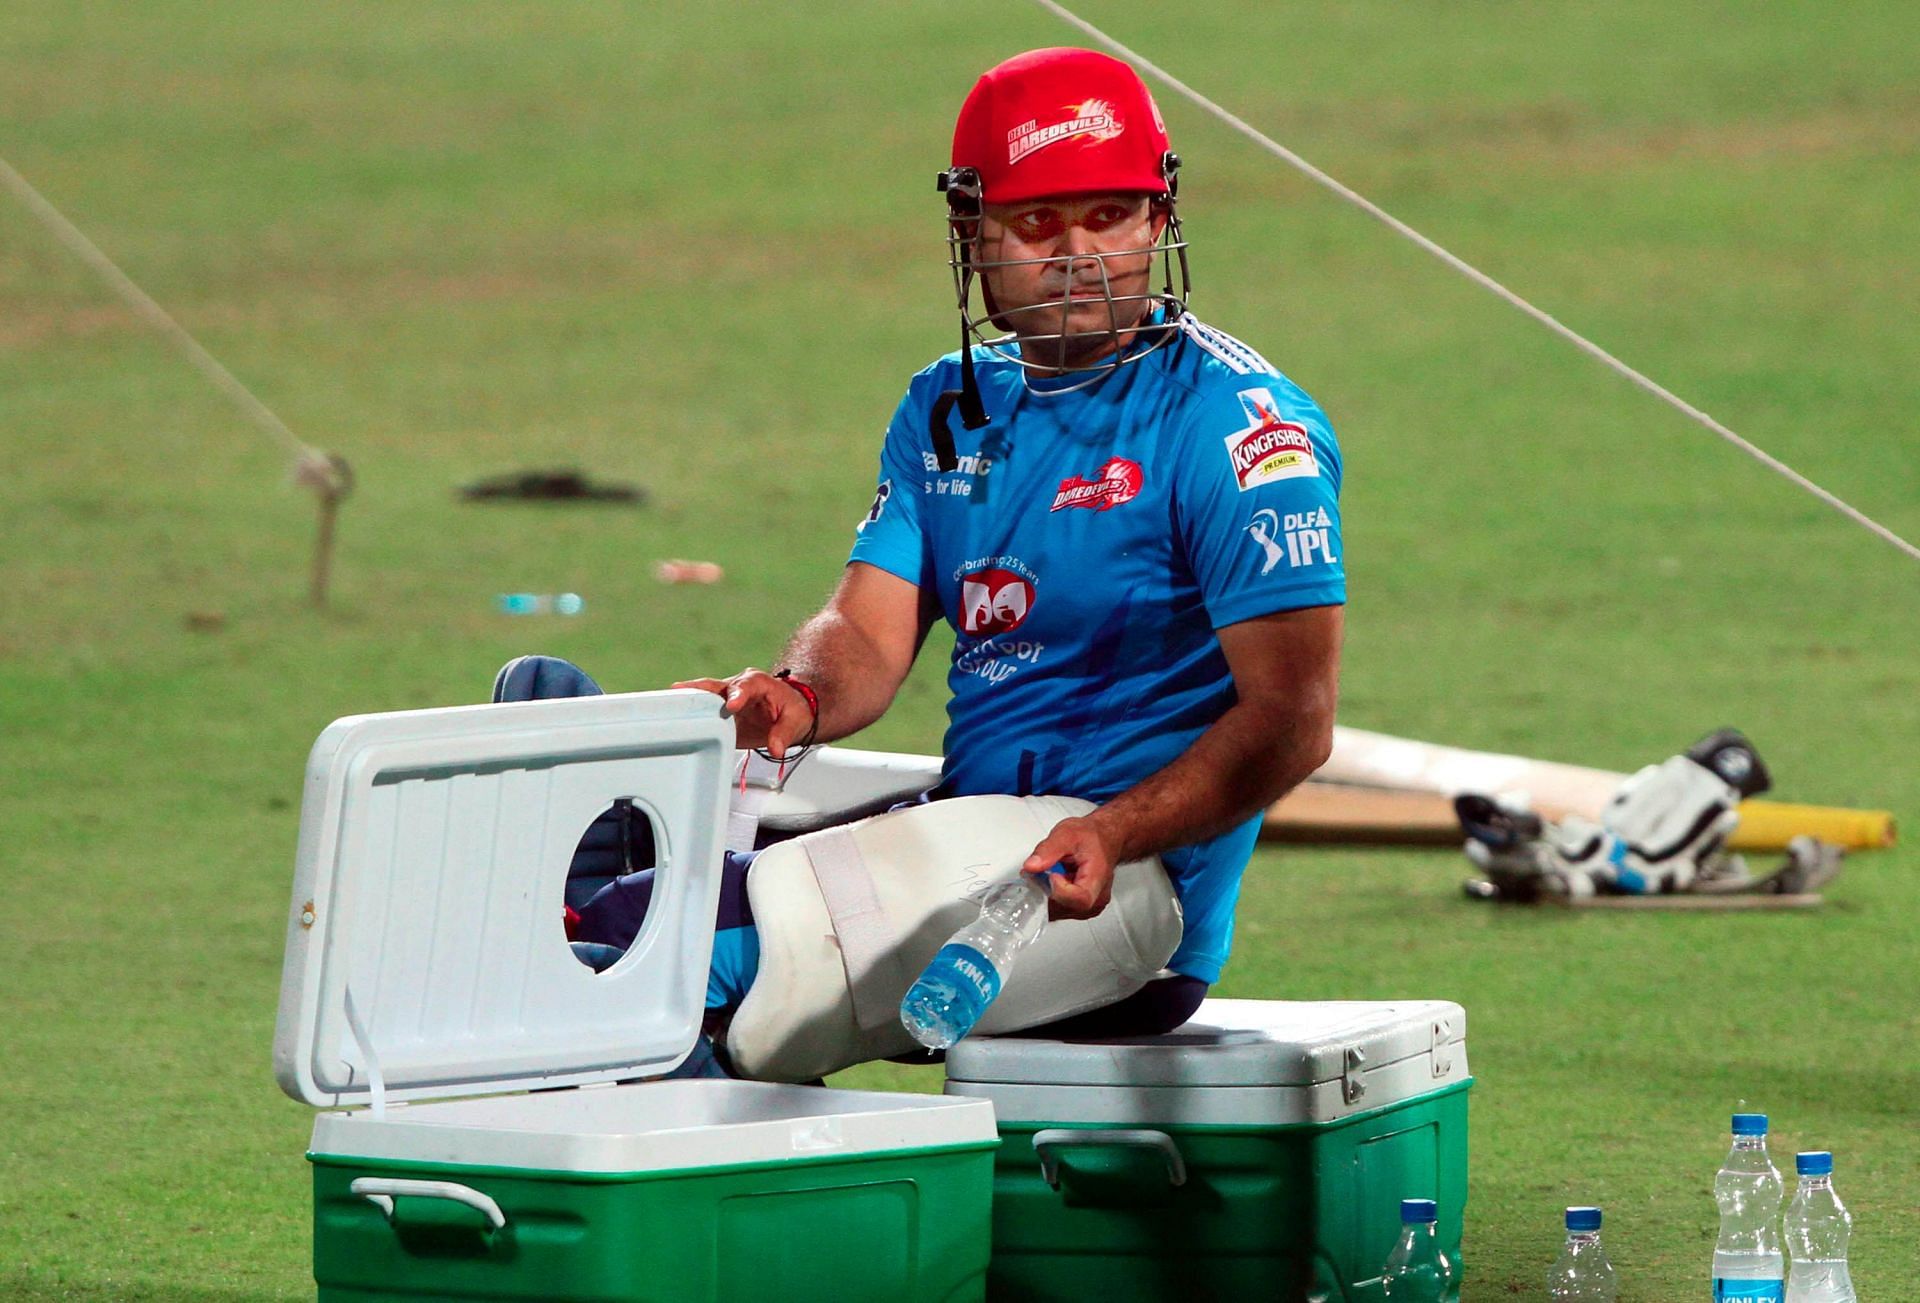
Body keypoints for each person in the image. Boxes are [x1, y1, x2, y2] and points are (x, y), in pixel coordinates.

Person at [665, 46, 1346, 1039]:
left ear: (1159, 216)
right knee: (639, 899)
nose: (1078, 251)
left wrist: (1116, 829)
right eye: (1037, 222)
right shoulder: (947, 406)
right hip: (970, 840)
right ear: (970, 232)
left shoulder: (1241, 432)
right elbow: (867, 631)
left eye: (1110, 215)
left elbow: (1294, 720)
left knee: (701, 977)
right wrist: (798, 693)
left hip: (1126, 898)